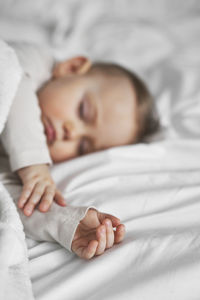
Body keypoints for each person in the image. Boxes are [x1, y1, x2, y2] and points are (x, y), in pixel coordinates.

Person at [0, 42, 159, 259]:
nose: (71, 133)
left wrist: (67, 223)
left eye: (83, 146)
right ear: (72, 69)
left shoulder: (18, 162)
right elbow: (11, 77)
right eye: (83, 111)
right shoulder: (34, 59)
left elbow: (11, 198)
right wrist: (33, 164)